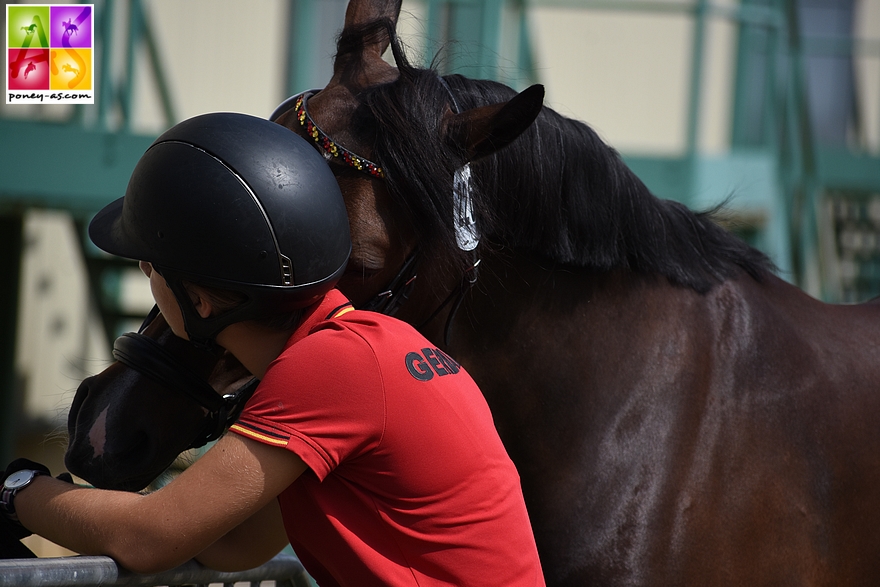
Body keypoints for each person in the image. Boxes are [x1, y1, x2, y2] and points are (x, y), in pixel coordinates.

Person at [0, 112, 545, 586]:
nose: (145, 270)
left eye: (150, 265)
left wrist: (18, 489)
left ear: (202, 302)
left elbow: (152, 539)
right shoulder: (370, 347)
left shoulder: (334, 367)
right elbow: (232, 545)